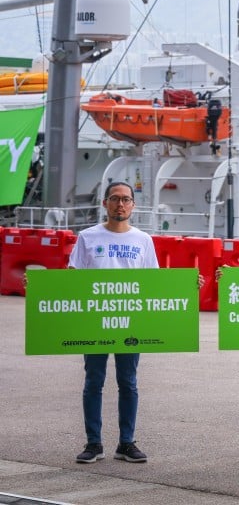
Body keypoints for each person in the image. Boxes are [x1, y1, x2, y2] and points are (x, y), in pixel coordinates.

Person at [68, 181, 158, 465]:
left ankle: (126, 443)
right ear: (105, 203)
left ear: (133, 205)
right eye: (115, 199)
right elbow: (71, 278)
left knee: (128, 382)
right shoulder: (87, 237)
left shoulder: (143, 240)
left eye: (126, 199)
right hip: (95, 320)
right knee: (93, 381)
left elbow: (155, 284)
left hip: (130, 321)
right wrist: (38, 288)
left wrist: (188, 286)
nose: (121, 204)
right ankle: (94, 443)